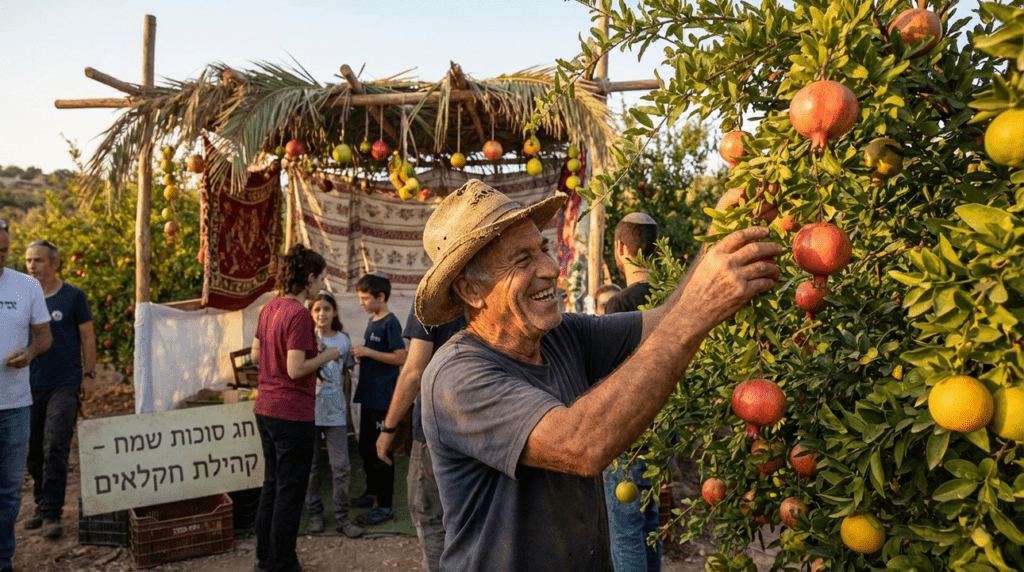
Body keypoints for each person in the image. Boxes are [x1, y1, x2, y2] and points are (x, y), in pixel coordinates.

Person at [415, 180, 782, 571]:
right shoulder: (456, 377)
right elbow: (580, 445)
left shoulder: (563, 336)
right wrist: (699, 309)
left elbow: (665, 321)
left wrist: (719, 236)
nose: (550, 269)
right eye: (522, 260)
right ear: (471, 290)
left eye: (542, 249)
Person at [250, 244, 340, 572]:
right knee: (289, 493)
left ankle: (265, 559)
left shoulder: (269, 308)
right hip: (291, 413)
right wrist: (327, 355)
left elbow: (256, 357)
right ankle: (283, 563)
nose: (320, 287)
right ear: (309, 277)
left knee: (272, 486)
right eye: (320, 279)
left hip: (265, 409)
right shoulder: (300, 314)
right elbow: (295, 369)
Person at [376, 307, 465, 572]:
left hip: (438, 428)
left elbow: (414, 372)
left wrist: (388, 428)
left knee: (430, 516)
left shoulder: (430, 301)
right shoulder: (490, 291)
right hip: (485, 426)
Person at [22, 239, 96, 540]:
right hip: (28, 385)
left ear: (55, 263)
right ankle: (41, 505)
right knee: (33, 449)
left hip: (64, 383)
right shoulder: (22, 297)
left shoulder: (73, 296)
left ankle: (53, 512)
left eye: (38, 260)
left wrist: (89, 375)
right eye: (28, 260)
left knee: (56, 445)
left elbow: (88, 338)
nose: (31, 266)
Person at [603, 213, 661, 572]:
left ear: (621, 248)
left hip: (628, 426)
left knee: (625, 527)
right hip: (663, 423)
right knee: (650, 520)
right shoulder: (671, 294)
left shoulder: (619, 304)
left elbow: (612, 372)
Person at [0, 221, 53, 572]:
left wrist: (31, 353)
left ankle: (3, 560)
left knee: (8, 490)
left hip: (15, 405)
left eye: (3, 250)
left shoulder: (26, 286)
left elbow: (44, 338)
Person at [304, 291, 364, 538]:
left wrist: (348, 410)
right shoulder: (305, 338)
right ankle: (315, 513)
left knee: (341, 467)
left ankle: (342, 517)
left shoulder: (343, 340)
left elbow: (346, 376)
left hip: (336, 411)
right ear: (311, 313)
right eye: (317, 309)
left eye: (326, 308)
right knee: (311, 467)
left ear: (335, 312)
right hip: (309, 411)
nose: (321, 313)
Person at [350, 272, 407, 527]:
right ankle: (372, 492)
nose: (361, 302)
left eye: (365, 298)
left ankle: (384, 506)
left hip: (384, 399)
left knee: (382, 452)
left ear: (380, 297)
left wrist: (368, 352)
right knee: (365, 448)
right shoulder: (373, 320)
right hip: (368, 395)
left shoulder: (390, 323)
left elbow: (401, 357)